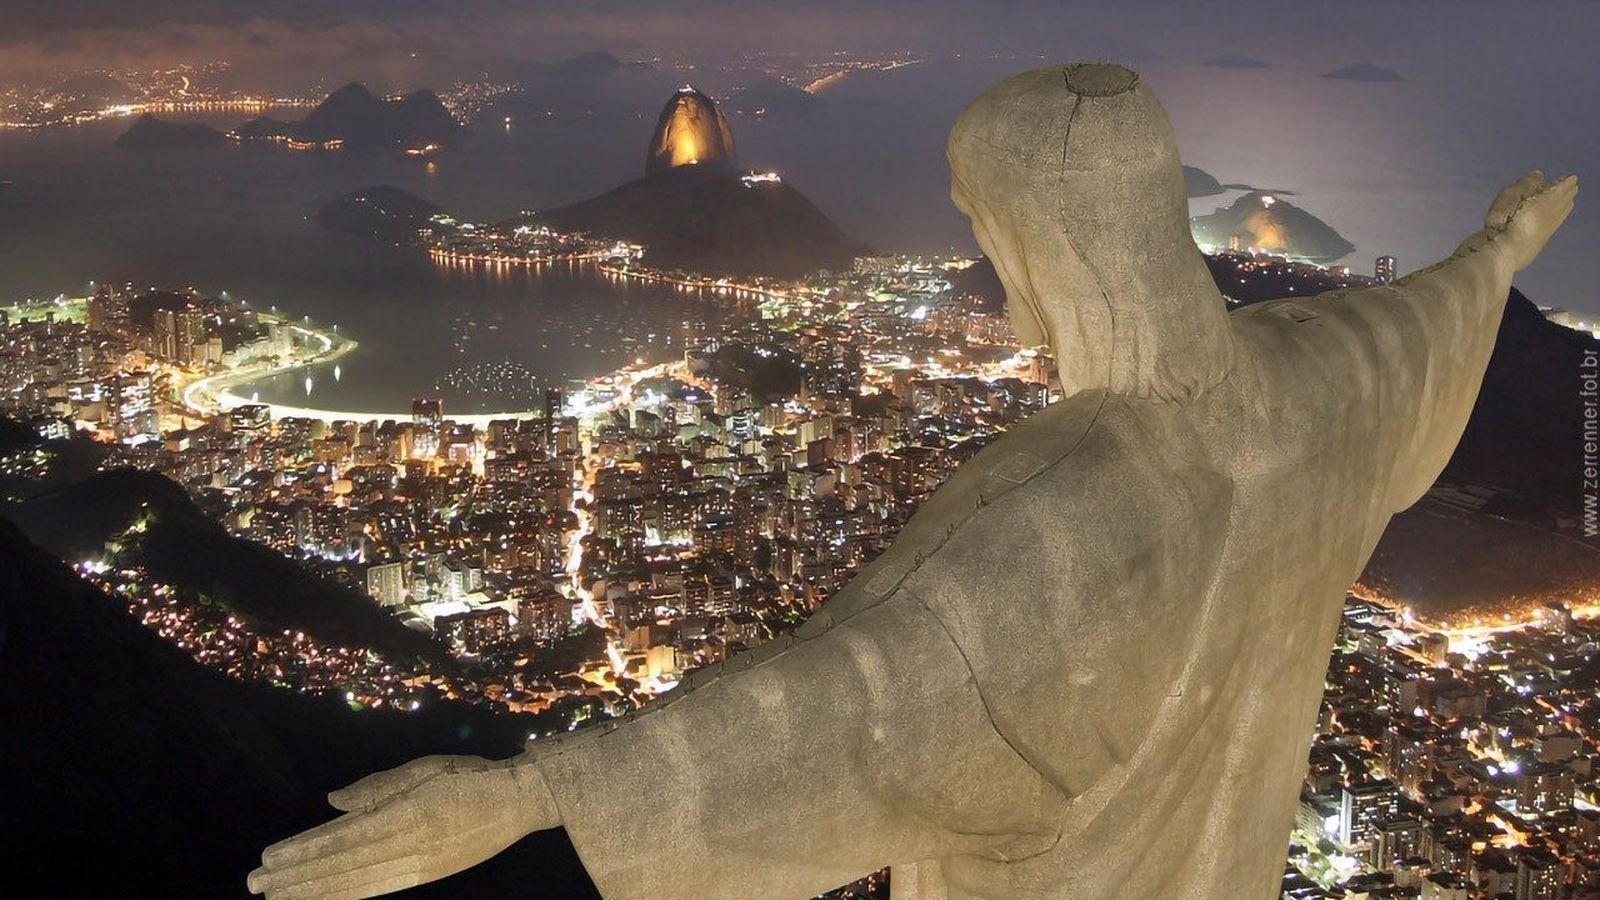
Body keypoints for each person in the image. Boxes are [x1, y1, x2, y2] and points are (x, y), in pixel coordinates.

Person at [249, 63, 1576, 900]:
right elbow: (1434, 319)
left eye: (980, 224)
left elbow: (849, 704)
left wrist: (534, 793)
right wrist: (1502, 246)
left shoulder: (1066, 507)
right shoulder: (1322, 379)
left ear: (1027, 237)